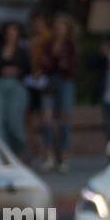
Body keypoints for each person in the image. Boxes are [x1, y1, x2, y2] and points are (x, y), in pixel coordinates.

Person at [39, 12, 78, 172]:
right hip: (50, 81)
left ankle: (64, 156)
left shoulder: (71, 45)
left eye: (62, 25)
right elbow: (45, 64)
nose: (59, 28)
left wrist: (58, 63)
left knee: (64, 119)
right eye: (57, 25)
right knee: (47, 119)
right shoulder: (48, 44)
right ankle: (49, 155)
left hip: (65, 82)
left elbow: (71, 68)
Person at [0, 22, 31, 157]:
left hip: (16, 87)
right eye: (8, 33)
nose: (11, 36)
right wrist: (1, 71)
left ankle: (19, 150)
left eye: (14, 33)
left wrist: (16, 72)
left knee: (14, 121)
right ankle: (3, 153)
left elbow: (29, 71)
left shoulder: (23, 51)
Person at [24, 11, 52, 167]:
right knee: (29, 120)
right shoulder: (28, 41)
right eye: (34, 23)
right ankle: (35, 151)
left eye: (39, 22)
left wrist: (42, 71)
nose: (37, 26)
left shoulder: (50, 39)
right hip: (30, 82)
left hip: (45, 83)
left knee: (46, 120)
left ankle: (48, 153)